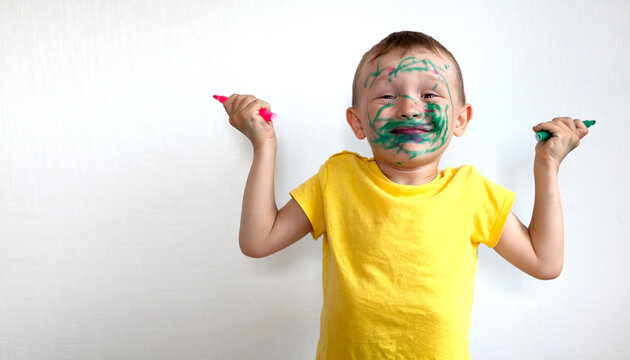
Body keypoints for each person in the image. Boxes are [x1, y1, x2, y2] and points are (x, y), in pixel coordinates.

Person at [220, 31, 589, 359]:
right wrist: (264, 145)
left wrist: (547, 165)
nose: (410, 107)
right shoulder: (337, 179)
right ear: (358, 122)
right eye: (386, 95)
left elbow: (544, 262)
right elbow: (258, 240)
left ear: (460, 119)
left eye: (429, 93)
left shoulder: (471, 191)